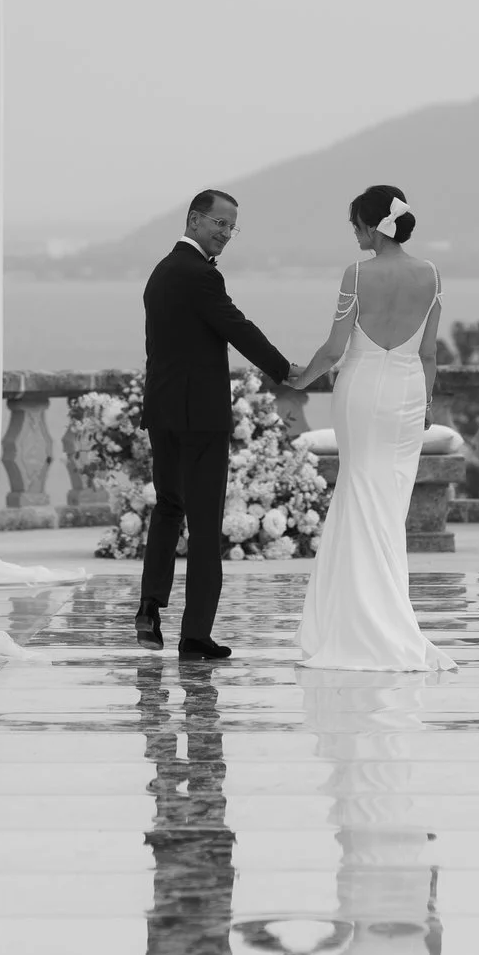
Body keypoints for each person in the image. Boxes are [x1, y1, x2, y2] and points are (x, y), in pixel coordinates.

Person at [287, 185, 455, 672]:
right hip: (406, 395)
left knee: (359, 493)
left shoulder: (356, 274)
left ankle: (359, 625)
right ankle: (387, 619)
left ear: (368, 224)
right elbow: (429, 353)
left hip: (360, 393)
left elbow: (334, 350)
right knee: (387, 505)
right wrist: (426, 402)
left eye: (354, 224)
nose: (353, 233)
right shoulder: (431, 274)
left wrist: (297, 377)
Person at [138, 188, 294, 660]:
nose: (226, 234)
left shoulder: (161, 272)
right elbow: (237, 328)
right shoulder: (200, 276)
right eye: (219, 224)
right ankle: (195, 634)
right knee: (205, 524)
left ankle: (149, 607)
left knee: (168, 508)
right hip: (200, 417)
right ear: (194, 220)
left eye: (231, 227)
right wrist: (287, 371)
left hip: (163, 411)